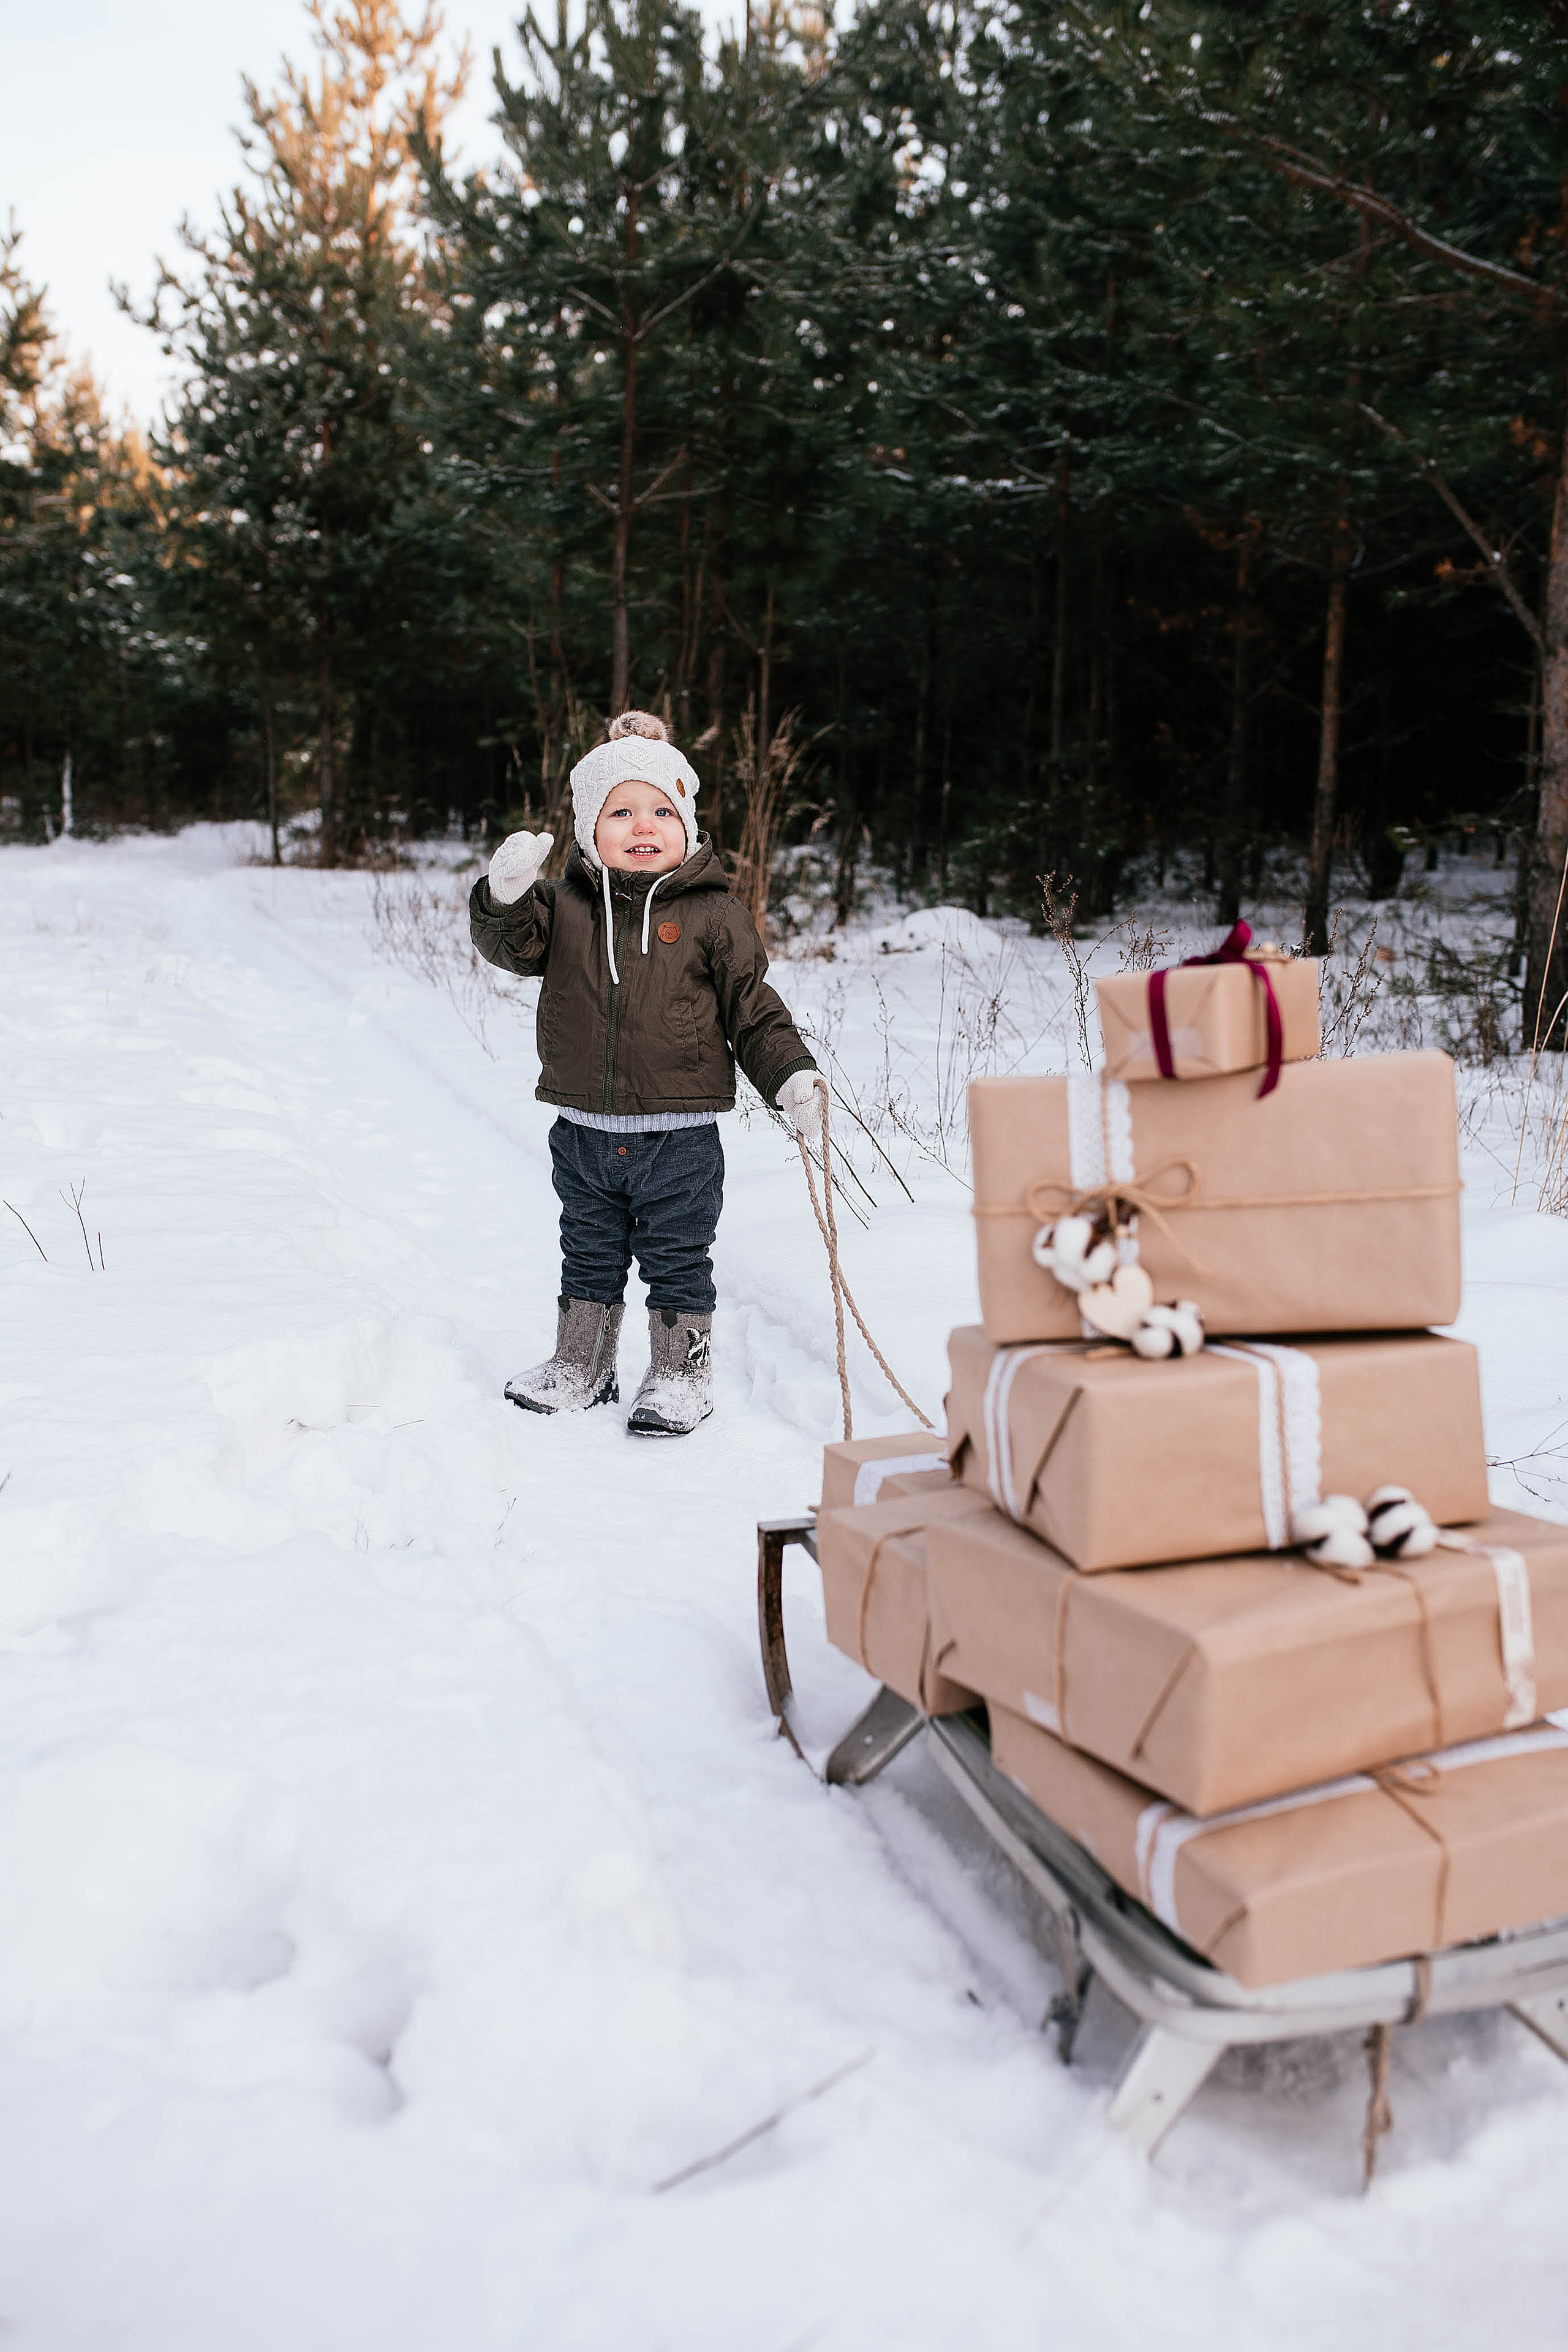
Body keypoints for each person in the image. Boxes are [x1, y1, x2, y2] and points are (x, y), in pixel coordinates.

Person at [470, 710, 823, 1436]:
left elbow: (753, 1009)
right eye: (621, 810)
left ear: (686, 825)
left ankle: (678, 1373)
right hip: (584, 1133)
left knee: (678, 1259)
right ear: (587, 830)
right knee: (588, 1253)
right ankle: (582, 1365)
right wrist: (504, 894)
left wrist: (791, 1076)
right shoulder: (562, 907)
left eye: (662, 810)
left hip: (680, 1139)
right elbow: (509, 946)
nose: (643, 825)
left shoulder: (716, 915)